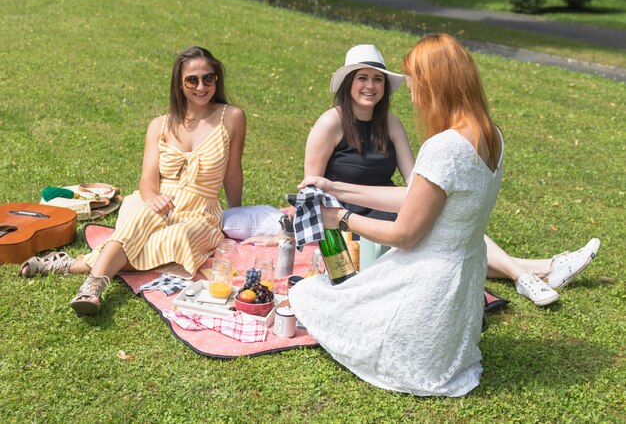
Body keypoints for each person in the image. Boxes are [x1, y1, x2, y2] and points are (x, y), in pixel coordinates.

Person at [244, 44, 599, 307]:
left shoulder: (391, 124)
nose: (371, 86)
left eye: (377, 80)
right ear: (348, 83)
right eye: (362, 78)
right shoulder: (330, 122)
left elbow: (417, 182)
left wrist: (421, 201)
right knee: (447, 227)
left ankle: (539, 271)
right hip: (345, 215)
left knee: (446, 220)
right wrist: (336, 209)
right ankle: (534, 271)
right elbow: (314, 192)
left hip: (390, 206)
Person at [290, 33, 504, 396]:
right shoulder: (492, 135)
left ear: (436, 84)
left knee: (311, 297)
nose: (412, 91)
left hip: (429, 283)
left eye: (415, 81)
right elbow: (417, 196)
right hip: (462, 283)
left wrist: (338, 218)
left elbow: (405, 235)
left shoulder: (444, 146)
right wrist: (338, 189)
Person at [18, 46, 246, 316]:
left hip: (201, 209)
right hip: (158, 200)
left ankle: (71, 265)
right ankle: (92, 288)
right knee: (142, 221)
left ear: (216, 79)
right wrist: (153, 199)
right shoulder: (159, 125)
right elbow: (147, 180)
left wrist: (237, 216)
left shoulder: (231, 117)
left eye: (208, 78)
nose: (201, 86)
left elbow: (233, 172)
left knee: (178, 240)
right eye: (191, 80)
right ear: (179, 83)